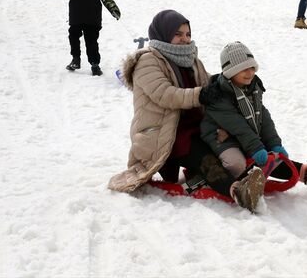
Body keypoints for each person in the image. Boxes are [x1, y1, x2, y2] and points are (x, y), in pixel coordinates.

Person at [107, 11, 266, 213]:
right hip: (162, 134)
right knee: (205, 157)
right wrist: (201, 95)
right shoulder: (148, 61)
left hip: (196, 127)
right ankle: (237, 191)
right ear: (163, 34)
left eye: (187, 34)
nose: (184, 39)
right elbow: (165, 94)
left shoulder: (191, 60)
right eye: (178, 34)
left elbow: (208, 82)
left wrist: (232, 81)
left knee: (234, 141)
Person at [200, 41, 307, 196]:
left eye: (252, 68)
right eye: (243, 69)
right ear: (230, 72)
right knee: (237, 163)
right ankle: (235, 184)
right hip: (220, 137)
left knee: (270, 155)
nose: (250, 73)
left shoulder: (252, 88)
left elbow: (264, 119)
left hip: (241, 134)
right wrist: (256, 148)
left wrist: (274, 144)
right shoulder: (218, 96)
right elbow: (238, 126)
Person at [42, 0, 121, 76]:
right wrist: (114, 10)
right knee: (91, 38)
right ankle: (95, 65)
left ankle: (75, 59)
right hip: (93, 12)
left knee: (74, 34)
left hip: (77, 10)